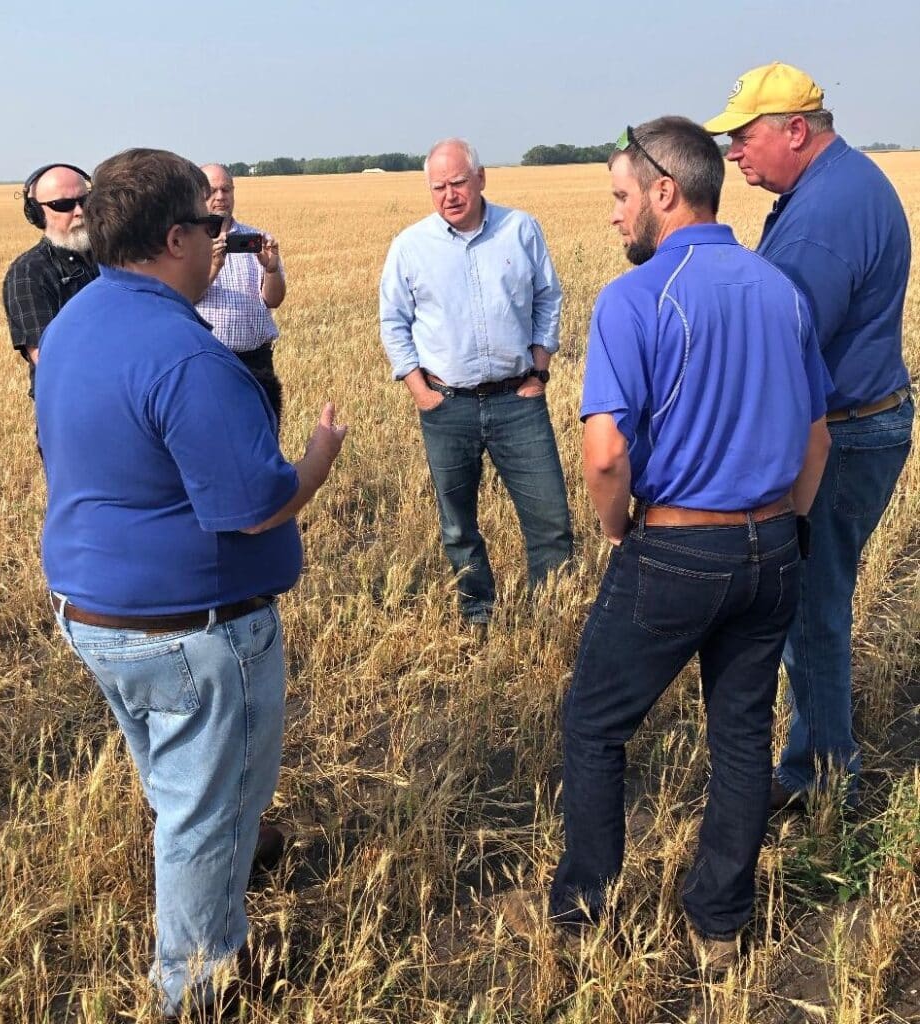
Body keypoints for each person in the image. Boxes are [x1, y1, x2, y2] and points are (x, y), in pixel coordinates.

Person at [36, 147, 346, 1017]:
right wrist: (316, 461)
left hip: (94, 613)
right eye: (211, 226)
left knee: (181, 794)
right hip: (191, 630)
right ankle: (199, 991)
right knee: (203, 822)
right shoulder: (187, 356)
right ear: (176, 236)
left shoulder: (75, 323)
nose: (221, 238)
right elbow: (253, 508)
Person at [544, 117, 831, 968]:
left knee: (595, 725)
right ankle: (717, 926)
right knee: (741, 735)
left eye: (620, 197)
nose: (613, 216)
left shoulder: (634, 297)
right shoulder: (779, 288)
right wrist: (793, 525)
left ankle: (581, 915)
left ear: (664, 192)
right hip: (773, 545)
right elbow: (815, 437)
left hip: (675, 548)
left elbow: (604, 454)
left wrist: (619, 532)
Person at [704, 62, 914, 809]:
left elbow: (780, 344)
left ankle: (822, 777)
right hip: (865, 419)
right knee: (813, 601)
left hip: (846, 433)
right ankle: (817, 759)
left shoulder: (824, 215)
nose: (732, 154)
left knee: (810, 608)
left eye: (742, 136)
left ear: (795, 130)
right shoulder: (837, 185)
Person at [379, 138, 573, 627]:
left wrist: (541, 366)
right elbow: (394, 322)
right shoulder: (410, 246)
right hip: (447, 405)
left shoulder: (520, 229)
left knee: (549, 519)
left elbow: (549, 297)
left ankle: (550, 616)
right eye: (439, 186)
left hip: (518, 400)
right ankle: (477, 611)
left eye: (459, 182)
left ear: (481, 178)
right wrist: (420, 390)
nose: (450, 194)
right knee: (458, 526)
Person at [196, 163, 287, 424]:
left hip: (258, 362)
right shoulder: (188, 244)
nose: (221, 197)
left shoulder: (257, 238)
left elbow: (274, 300)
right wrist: (213, 267)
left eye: (226, 189)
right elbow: (183, 300)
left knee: (264, 436)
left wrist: (271, 270)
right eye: (212, 191)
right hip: (210, 362)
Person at [2, 163, 98, 396]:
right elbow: (49, 360)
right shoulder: (29, 273)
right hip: (70, 405)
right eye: (63, 205)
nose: (79, 211)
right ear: (36, 213)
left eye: (85, 201)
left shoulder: (112, 256)